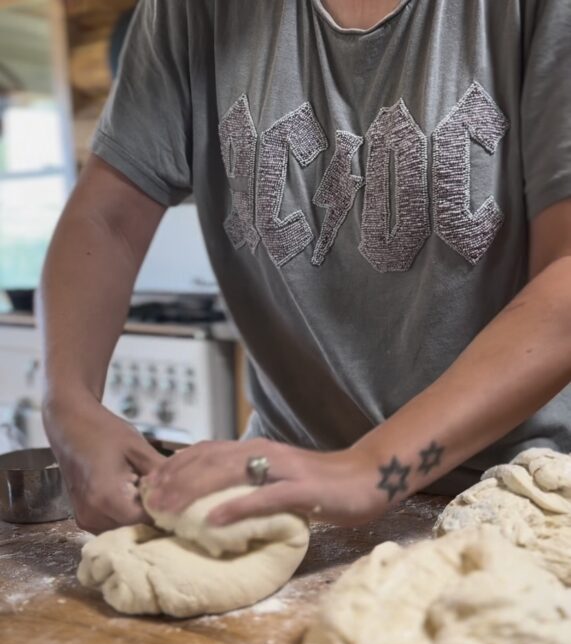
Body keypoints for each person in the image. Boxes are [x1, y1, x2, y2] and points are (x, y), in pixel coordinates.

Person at [40, 0, 571, 535]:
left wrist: (367, 469)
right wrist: (70, 401)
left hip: (521, 490)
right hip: (285, 487)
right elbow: (106, 220)